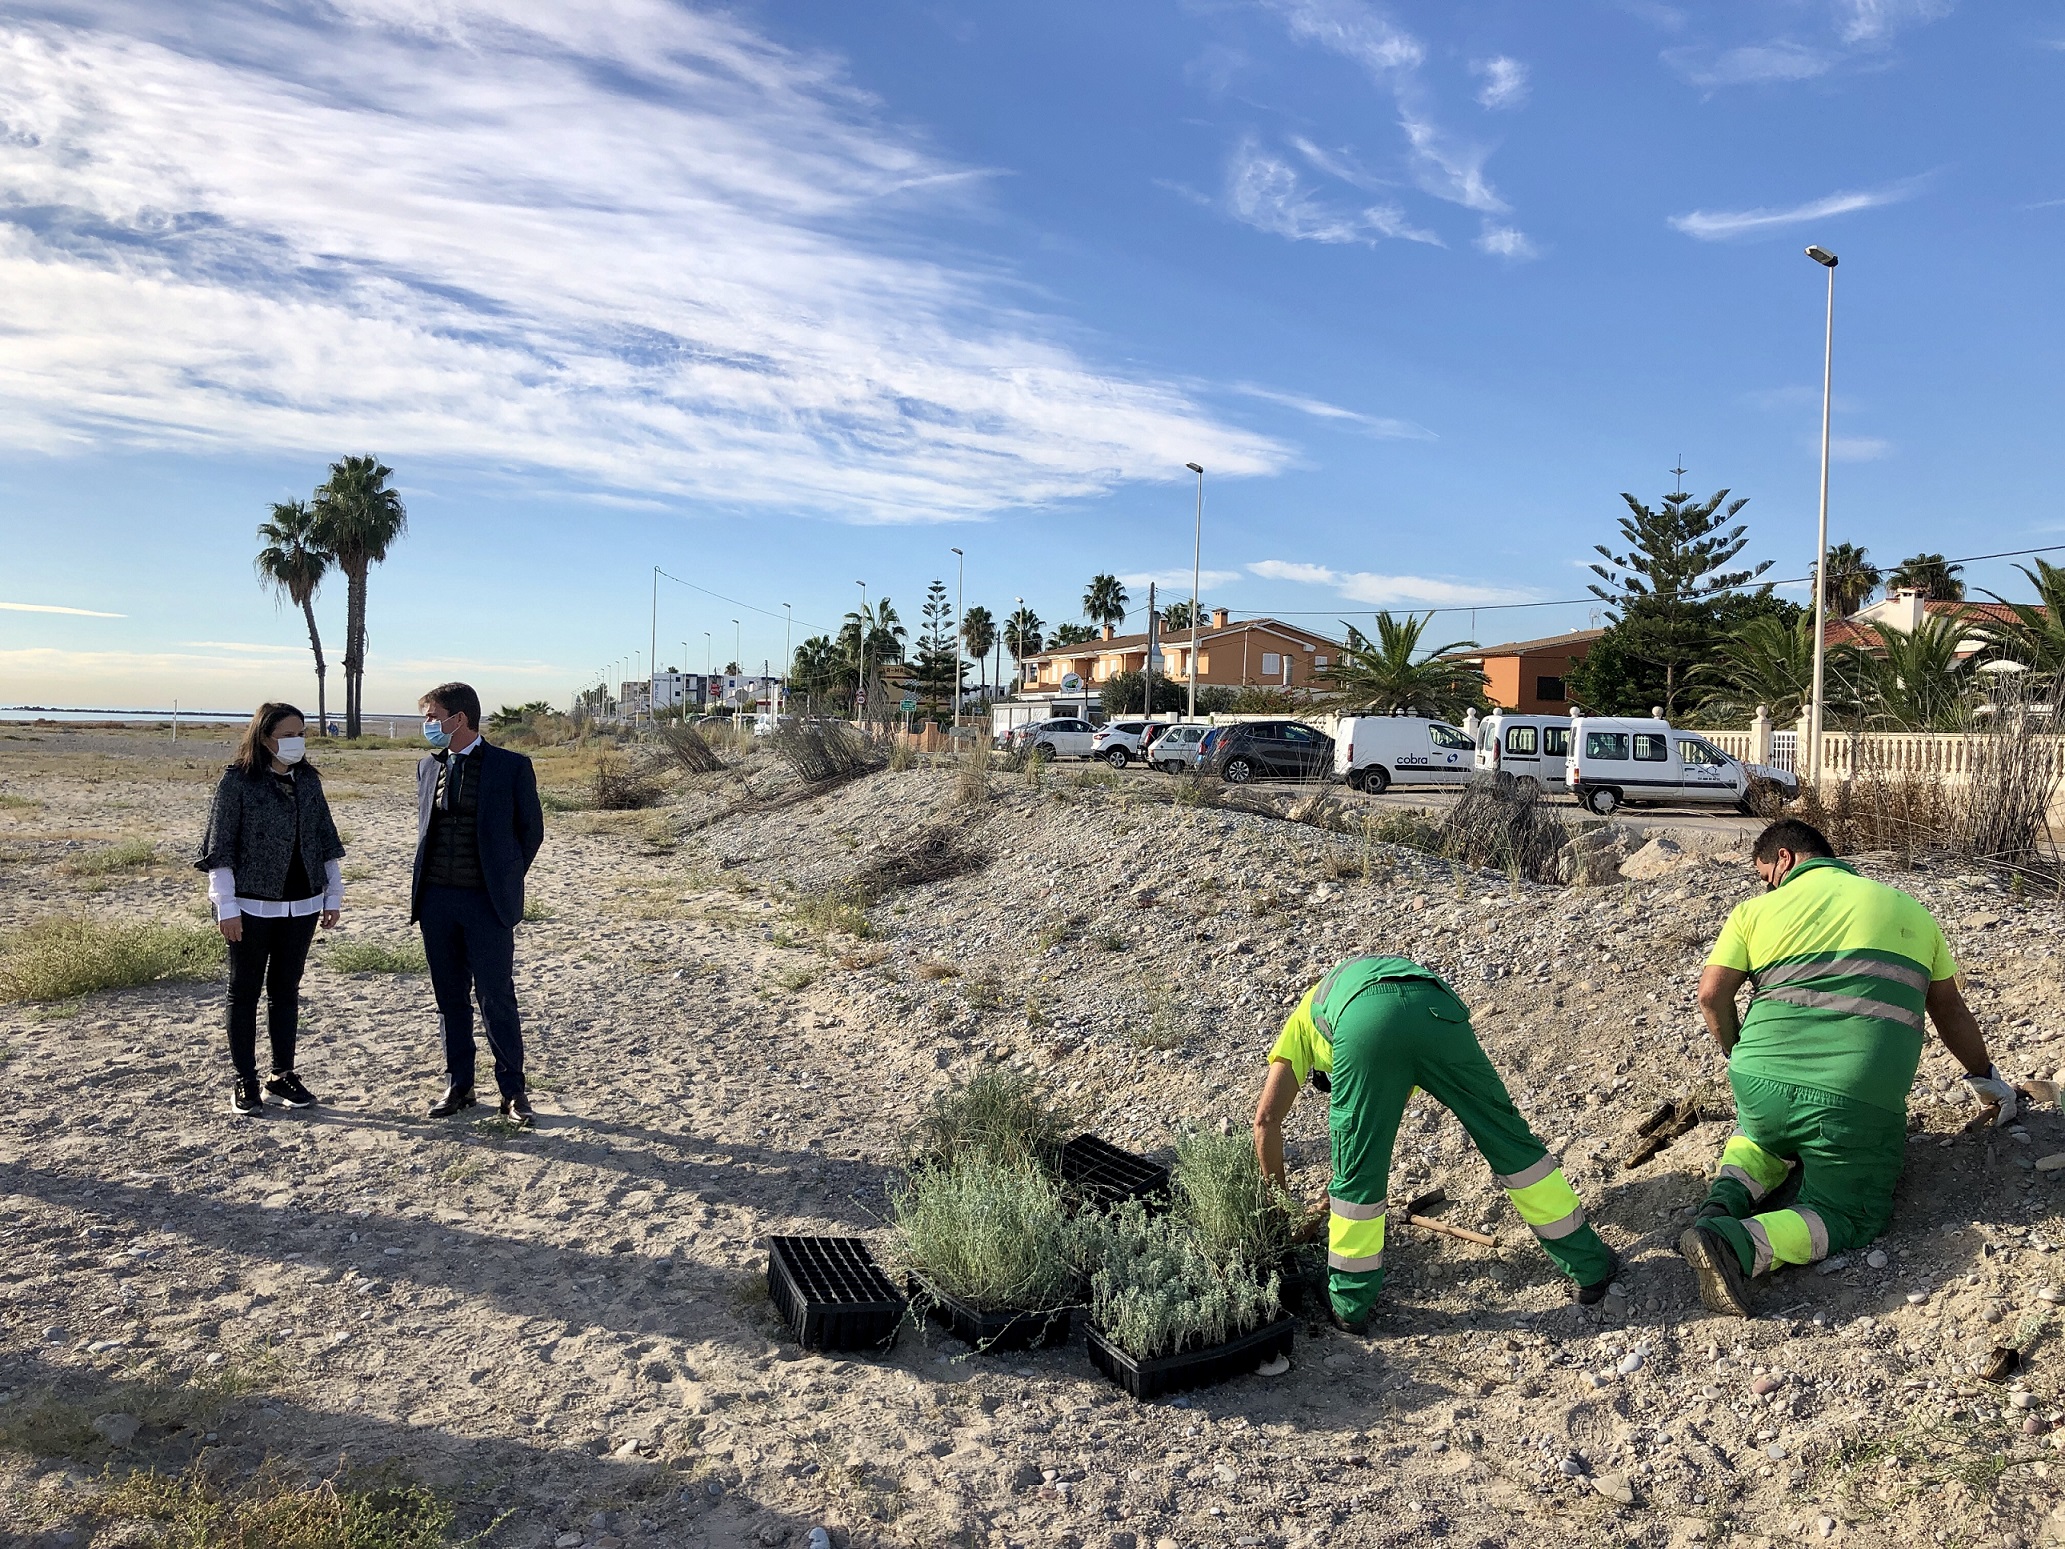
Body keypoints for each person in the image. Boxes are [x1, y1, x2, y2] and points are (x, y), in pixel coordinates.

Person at [1680, 818, 2016, 1316]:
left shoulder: (1754, 912)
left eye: (1764, 873)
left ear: (1787, 858)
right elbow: (1949, 1010)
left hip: (1759, 1085)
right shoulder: (1910, 911)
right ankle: (1738, 1244)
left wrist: (1739, 1055)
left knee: (1762, 1135)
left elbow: (1711, 995)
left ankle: (1721, 1204)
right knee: (1848, 1213)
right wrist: (1987, 1079)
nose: (1765, 885)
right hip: (1854, 1098)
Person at [1254, 955, 1618, 1331]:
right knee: (1508, 1139)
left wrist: (1278, 1205)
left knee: (1356, 1176)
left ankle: (1349, 1305)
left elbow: (1266, 1120)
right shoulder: (1337, 987)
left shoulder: (1301, 1021)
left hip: (1363, 1024)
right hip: (1437, 1008)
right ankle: (1590, 1268)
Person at [195, 702, 345, 1117]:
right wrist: (225, 906)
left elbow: (325, 838)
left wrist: (332, 894)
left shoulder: (308, 781)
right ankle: (245, 1079)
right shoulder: (237, 782)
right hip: (249, 905)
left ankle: (282, 1075)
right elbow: (219, 848)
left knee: (286, 991)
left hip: (304, 904)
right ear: (264, 737)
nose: (296, 741)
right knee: (243, 992)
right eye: (288, 734)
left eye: (302, 734)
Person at [412, 681, 545, 1126]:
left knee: (496, 996)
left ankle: (512, 1091)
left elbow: (531, 832)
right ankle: (460, 1084)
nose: (428, 724)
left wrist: (504, 876)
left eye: (433, 716)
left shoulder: (511, 767)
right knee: (449, 999)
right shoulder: (428, 768)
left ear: (459, 719)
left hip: (487, 904)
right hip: (436, 903)